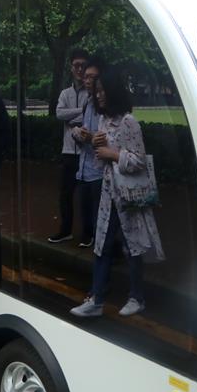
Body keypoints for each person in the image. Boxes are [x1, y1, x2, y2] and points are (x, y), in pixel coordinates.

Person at [70, 68, 164, 318]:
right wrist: (97, 145)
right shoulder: (103, 121)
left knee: (131, 247)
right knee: (101, 245)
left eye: (102, 91)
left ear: (113, 92)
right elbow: (102, 163)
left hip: (128, 197)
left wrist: (112, 153)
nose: (98, 96)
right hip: (108, 194)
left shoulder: (128, 122)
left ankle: (137, 297)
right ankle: (96, 298)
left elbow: (139, 161)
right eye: (96, 91)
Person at [48, 49, 91, 244]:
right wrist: (79, 111)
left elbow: (90, 117)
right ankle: (65, 230)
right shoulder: (65, 93)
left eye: (83, 65)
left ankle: (88, 234)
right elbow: (59, 114)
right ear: (71, 67)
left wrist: (72, 115)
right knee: (65, 194)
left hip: (86, 153)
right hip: (68, 151)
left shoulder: (92, 92)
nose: (80, 69)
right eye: (76, 65)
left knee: (85, 196)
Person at [71, 59, 104, 249]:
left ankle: (103, 247)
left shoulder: (104, 103)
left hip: (99, 171)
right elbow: (85, 132)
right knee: (85, 208)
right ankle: (89, 237)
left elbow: (108, 138)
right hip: (84, 169)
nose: (87, 80)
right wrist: (79, 134)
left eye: (92, 76)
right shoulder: (88, 103)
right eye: (86, 77)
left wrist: (90, 136)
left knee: (100, 212)